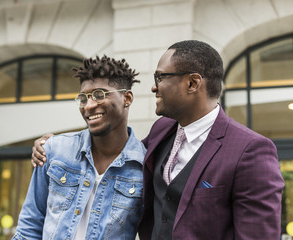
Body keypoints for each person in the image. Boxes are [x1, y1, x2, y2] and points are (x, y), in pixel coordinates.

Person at [32, 40, 284, 240]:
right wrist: (54, 144)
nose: (154, 87)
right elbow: (117, 149)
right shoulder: (162, 130)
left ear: (192, 83)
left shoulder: (250, 149)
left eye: (160, 78)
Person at [13, 55, 146, 240]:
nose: (89, 105)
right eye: (83, 98)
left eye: (99, 95)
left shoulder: (144, 166)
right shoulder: (54, 151)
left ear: (127, 98)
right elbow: (29, 227)